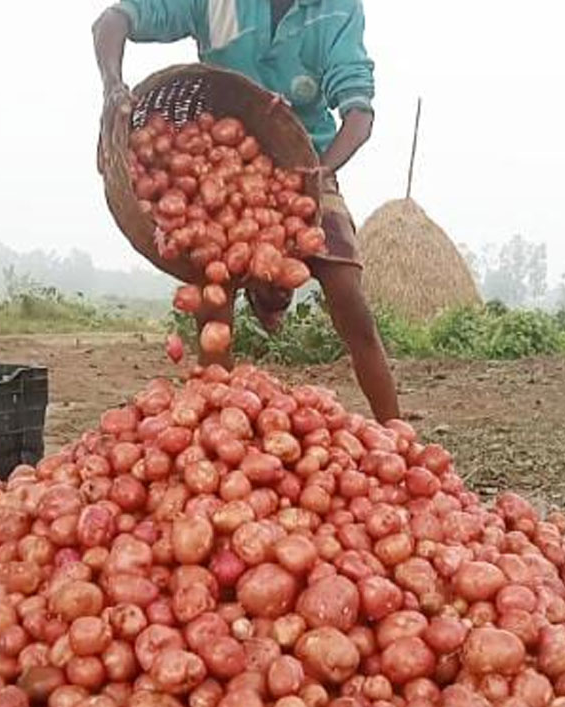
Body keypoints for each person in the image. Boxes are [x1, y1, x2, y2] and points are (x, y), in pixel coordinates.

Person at [93, 0, 400, 422]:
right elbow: (113, 20)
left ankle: (398, 436)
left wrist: (316, 175)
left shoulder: (337, 9)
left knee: (347, 294)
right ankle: (215, 424)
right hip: (216, 166)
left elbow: (358, 114)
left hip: (306, 157)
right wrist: (113, 85)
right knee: (214, 293)